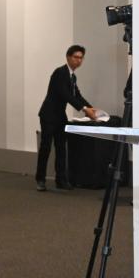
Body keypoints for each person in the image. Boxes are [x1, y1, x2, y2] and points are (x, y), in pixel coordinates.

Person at [35, 45, 97, 191]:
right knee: (45, 147)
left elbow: (77, 95)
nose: (79, 60)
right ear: (68, 57)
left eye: (81, 58)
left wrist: (92, 109)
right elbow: (66, 95)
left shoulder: (73, 77)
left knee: (62, 148)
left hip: (60, 116)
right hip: (48, 115)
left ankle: (61, 180)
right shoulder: (60, 73)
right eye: (76, 57)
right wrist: (84, 110)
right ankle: (40, 179)